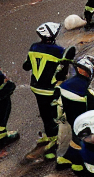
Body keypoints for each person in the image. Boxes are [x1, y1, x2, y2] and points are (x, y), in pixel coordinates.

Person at [23, 22, 69, 160]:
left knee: (45, 114)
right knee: (55, 116)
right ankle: (53, 146)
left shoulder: (33, 47)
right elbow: (62, 74)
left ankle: (49, 137)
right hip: (50, 90)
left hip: (36, 88)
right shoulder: (59, 51)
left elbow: (26, 66)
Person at [55, 56, 94, 173]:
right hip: (81, 122)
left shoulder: (65, 85)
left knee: (72, 137)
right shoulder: (87, 91)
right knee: (82, 140)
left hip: (66, 118)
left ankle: (63, 159)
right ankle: (77, 165)